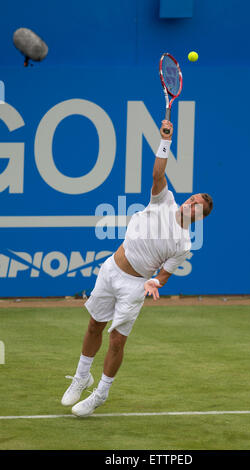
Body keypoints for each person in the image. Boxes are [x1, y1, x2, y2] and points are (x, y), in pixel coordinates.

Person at [61, 119, 213, 417]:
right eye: (192, 198)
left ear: (200, 217)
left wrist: (155, 282)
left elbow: (165, 275)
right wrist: (165, 140)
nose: (190, 203)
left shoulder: (183, 244)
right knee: (94, 324)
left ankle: (100, 393)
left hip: (134, 286)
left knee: (117, 339)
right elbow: (158, 173)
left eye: (197, 206)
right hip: (110, 270)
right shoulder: (164, 200)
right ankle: (81, 377)